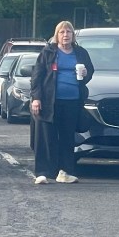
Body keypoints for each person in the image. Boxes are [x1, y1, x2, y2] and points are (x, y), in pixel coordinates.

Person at [30, 20, 95, 185]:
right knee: (46, 138)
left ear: (73, 35)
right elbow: (36, 76)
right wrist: (36, 98)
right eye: (62, 32)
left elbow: (89, 73)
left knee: (67, 138)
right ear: (57, 35)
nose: (65, 35)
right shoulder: (48, 52)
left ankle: (65, 172)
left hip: (72, 101)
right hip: (49, 102)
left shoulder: (81, 53)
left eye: (68, 32)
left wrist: (85, 74)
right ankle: (42, 173)